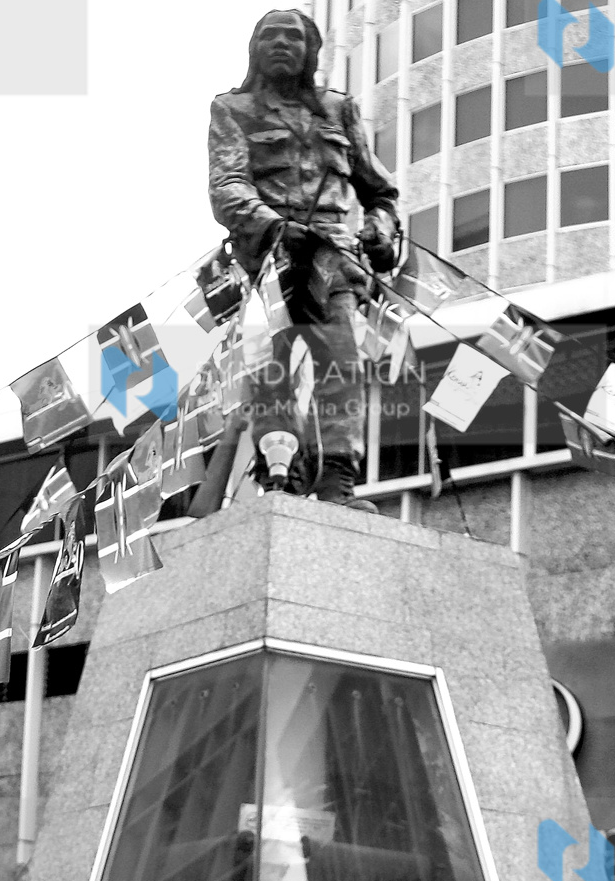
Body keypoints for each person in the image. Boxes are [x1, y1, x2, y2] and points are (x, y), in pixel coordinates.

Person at [208, 9, 399, 510]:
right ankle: (280, 475)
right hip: (270, 261)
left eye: (292, 36)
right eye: (268, 35)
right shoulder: (234, 109)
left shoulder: (339, 111)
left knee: (341, 364)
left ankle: (337, 476)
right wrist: (272, 225)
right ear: (254, 48)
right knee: (273, 371)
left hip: (335, 261)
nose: (280, 43)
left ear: (311, 50)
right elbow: (226, 187)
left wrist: (380, 230)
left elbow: (380, 193)